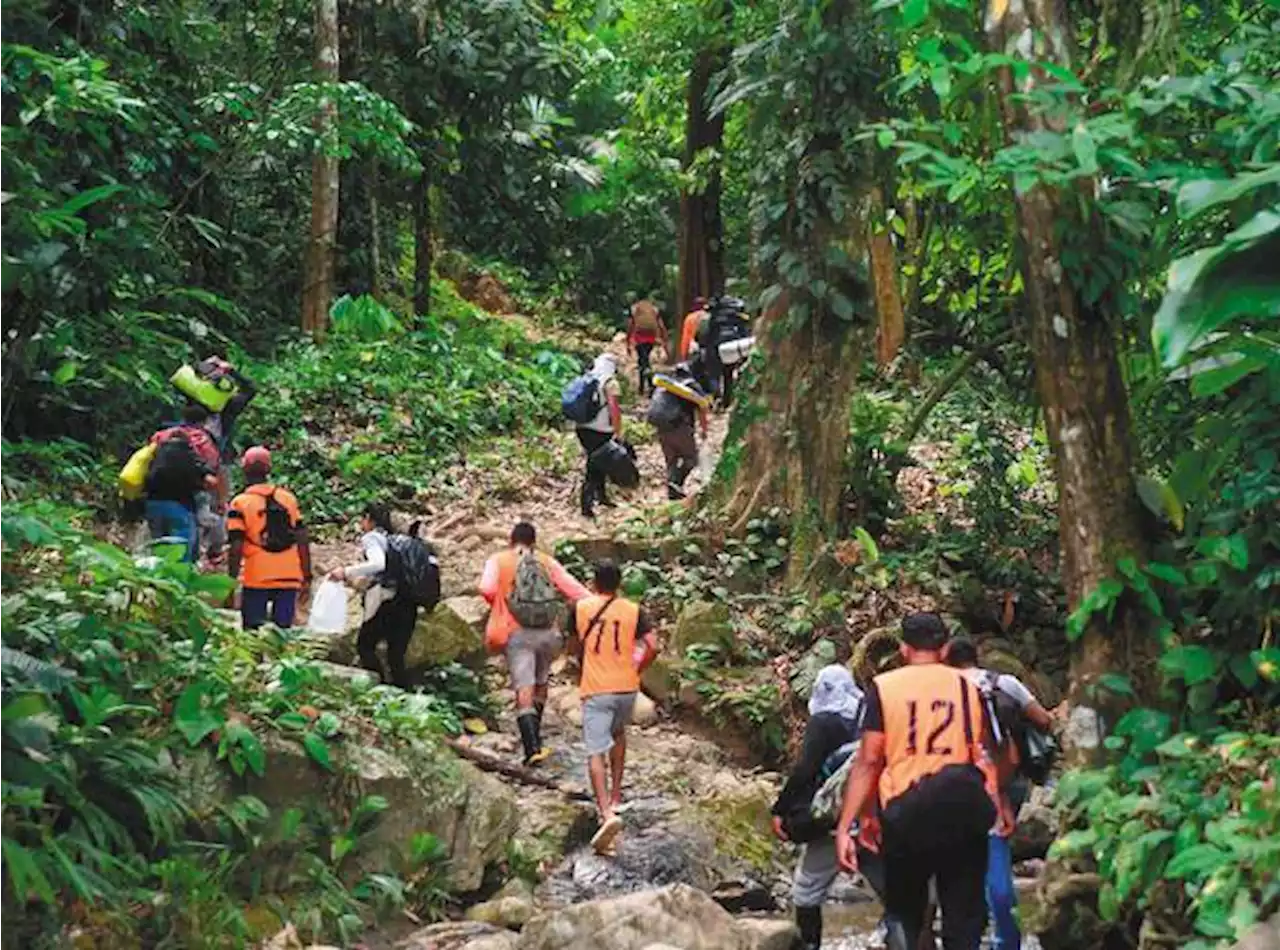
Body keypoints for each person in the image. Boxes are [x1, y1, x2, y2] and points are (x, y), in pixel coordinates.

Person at [835, 613, 1011, 950]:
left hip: (905, 809)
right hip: (961, 805)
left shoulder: (884, 688)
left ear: (903, 648)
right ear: (944, 648)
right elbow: (986, 752)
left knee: (905, 910)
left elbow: (870, 760)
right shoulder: (969, 687)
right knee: (963, 914)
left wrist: (854, 821)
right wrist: (999, 802)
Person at [946, 637, 1054, 950]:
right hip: (1009, 779)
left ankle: (967, 929)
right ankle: (1006, 937)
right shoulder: (1003, 682)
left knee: (960, 857)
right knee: (996, 851)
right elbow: (1043, 720)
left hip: (959, 782)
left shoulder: (943, 687)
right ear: (976, 657)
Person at [771, 665, 865, 950]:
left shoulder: (824, 721)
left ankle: (810, 945)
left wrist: (781, 808)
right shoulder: (868, 717)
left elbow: (805, 769)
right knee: (895, 892)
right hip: (873, 814)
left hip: (833, 820)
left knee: (807, 890)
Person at [479, 522, 590, 765]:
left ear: (511, 540)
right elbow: (575, 591)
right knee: (541, 680)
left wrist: (502, 602)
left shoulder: (498, 560)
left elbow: (486, 589)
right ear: (534, 541)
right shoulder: (546, 561)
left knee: (524, 686)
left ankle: (531, 749)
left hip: (517, 632)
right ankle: (536, 735)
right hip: (548, 633)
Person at [572, 559, 659, 855]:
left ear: (595, 582)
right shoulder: (634, 610)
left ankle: (606, 811)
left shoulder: (581, 607)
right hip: (626, 687)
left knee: (595, 750)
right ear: (619, 583)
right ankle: (618, 794)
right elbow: (652, 644)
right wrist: (638, 668)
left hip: (597, 688)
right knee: (619, 735)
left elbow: (571, 641)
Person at [329, 503, 418, 689]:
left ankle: (379, 688)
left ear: (369, 518)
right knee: (396, 655)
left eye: (362, 518)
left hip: (388, 601)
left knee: (365, 645)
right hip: (408, 600)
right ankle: (403, 696)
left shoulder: (372, 538)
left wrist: (345, 572)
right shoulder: (395, 540)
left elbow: (378, 564)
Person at [226, 446, 311, 630]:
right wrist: (307, 576)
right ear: (269, 470)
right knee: (281, 633)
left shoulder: (240, 503)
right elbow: (302, 539)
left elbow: (236, 545)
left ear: (244, 470)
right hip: (289, 575)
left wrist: (230, 583)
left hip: (257, 576)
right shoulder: (288, 499)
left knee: (253, 634)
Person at [144, 403, 220, 562]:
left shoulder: (160, 438)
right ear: (203, 421)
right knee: (182, 551)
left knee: (158, 548)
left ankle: (156, 582)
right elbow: (212, 477)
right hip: (182, 504)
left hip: (152, 503)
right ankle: (184, 578)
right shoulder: (201, 441)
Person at [647, 362, 710, 500]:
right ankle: (676, 484)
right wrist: (704, 431)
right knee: (692, 458)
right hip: (679, 427)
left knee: (671, 461)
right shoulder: (691, 385)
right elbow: (702, 408)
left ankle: (672, 492)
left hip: (661, 428)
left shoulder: (664, 385)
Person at [574, 354, 623, 519]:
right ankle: (586, 505)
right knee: (594, 466)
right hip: (600, 430)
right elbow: (614, 408)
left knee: (599, 461)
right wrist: (618, 431)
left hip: (582, 428)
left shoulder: (588, 377)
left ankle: (602, 497)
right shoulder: (610, 382)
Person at [627, 297, 667, 396]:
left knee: (643, 362)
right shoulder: (653, 309)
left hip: (639, 338)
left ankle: (644, 387)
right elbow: (661, 325)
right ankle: (650, 386)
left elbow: (630, 325)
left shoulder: (635, 308)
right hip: (651, 338)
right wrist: (664, 337)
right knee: (645, 361)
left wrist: (628, 340)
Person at [679, 296, 708, 360]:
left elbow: (686, 337)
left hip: (693, 349)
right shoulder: (709, 316)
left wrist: (684, 354)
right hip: (708, 348)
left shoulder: (690, 318)